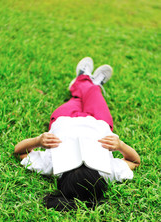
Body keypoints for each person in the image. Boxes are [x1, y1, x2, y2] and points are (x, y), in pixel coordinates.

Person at [14, 57, 140, 211]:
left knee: (77, 98)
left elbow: (19, 151)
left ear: (62, 179)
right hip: (99, 121)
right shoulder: (108, 172)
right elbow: (135, 162)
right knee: (95, 94)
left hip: (64, 119)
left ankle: (83, 79)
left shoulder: (52, 167)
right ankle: (92, 84)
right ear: (100, 179)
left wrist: (38, 141)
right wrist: (121, 146)